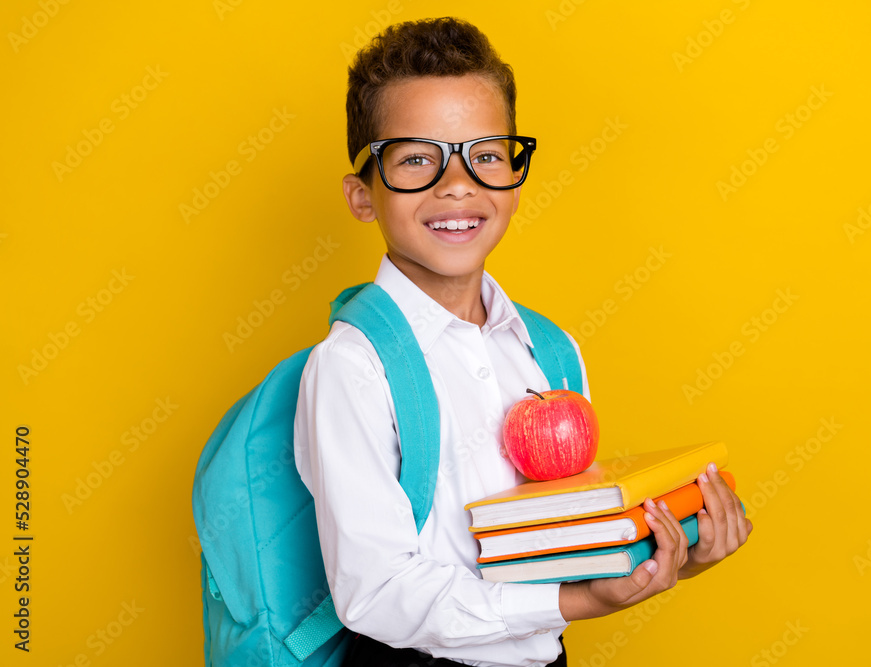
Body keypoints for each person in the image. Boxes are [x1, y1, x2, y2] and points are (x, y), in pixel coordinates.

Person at [292, 16, 752, 667]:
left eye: (486, 155)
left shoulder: (547, 348)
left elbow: (570, 542)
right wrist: (572, 603)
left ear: (515, 172)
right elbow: (377, 592)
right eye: (418, 158)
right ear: (361, 195)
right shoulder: (352, 367)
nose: (458, 184)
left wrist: (672, 554)